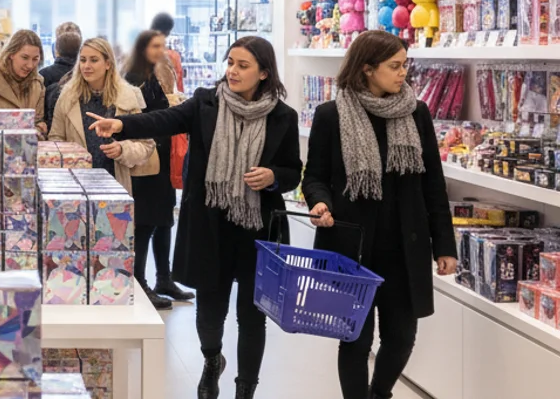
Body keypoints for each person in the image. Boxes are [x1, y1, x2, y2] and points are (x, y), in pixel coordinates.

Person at [87, 36, 302, 399]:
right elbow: (165, 119)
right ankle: (211, 359)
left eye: (243, 65)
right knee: (210, 311)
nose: (232, 71)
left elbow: (293, 171)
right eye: (230, 62)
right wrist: (121, 125)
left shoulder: (284, 117)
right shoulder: (207, 102)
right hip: (210, 223)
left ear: (264, 73)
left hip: (258, 229)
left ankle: (245, 389)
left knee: (253, 317)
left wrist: (273, 177)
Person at [302, 31, 457, 399]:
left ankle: (379, 394)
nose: (403, 73)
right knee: (354, 338)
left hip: (405, 247)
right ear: (368, 69)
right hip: (350, 245)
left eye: (405, 65)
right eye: (394, 66)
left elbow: (433, 184)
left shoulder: (416, 112)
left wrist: (445, 246)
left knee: (402, 337)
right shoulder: (332, 115)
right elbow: (316, 176)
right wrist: (320, 202)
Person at [47, 37, 165, 309]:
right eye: (83, 60)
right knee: (72, 259)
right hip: (74, 192)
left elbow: (145, 145)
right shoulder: (67, 97)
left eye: (94, 60)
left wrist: (122, 149)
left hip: (114, 190)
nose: (87, 66)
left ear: (108, 64)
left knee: (112, 261)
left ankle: (111, 315)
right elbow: (55, 140)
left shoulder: (127, 97)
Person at [122, 30, 194, 306]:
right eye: (155, 46)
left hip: (162, 158)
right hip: (146, 159)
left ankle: (164, 278)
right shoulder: (134, 78)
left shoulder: (153, 74)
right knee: (146, 222)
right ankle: (140, 280)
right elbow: (142, 116)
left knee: (164, 219)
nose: (161, 50)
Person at [150, 12, 185, 92]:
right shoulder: (173, 56)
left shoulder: (142, 49)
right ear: (168, 31)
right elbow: (178, 83)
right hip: (168, 97)